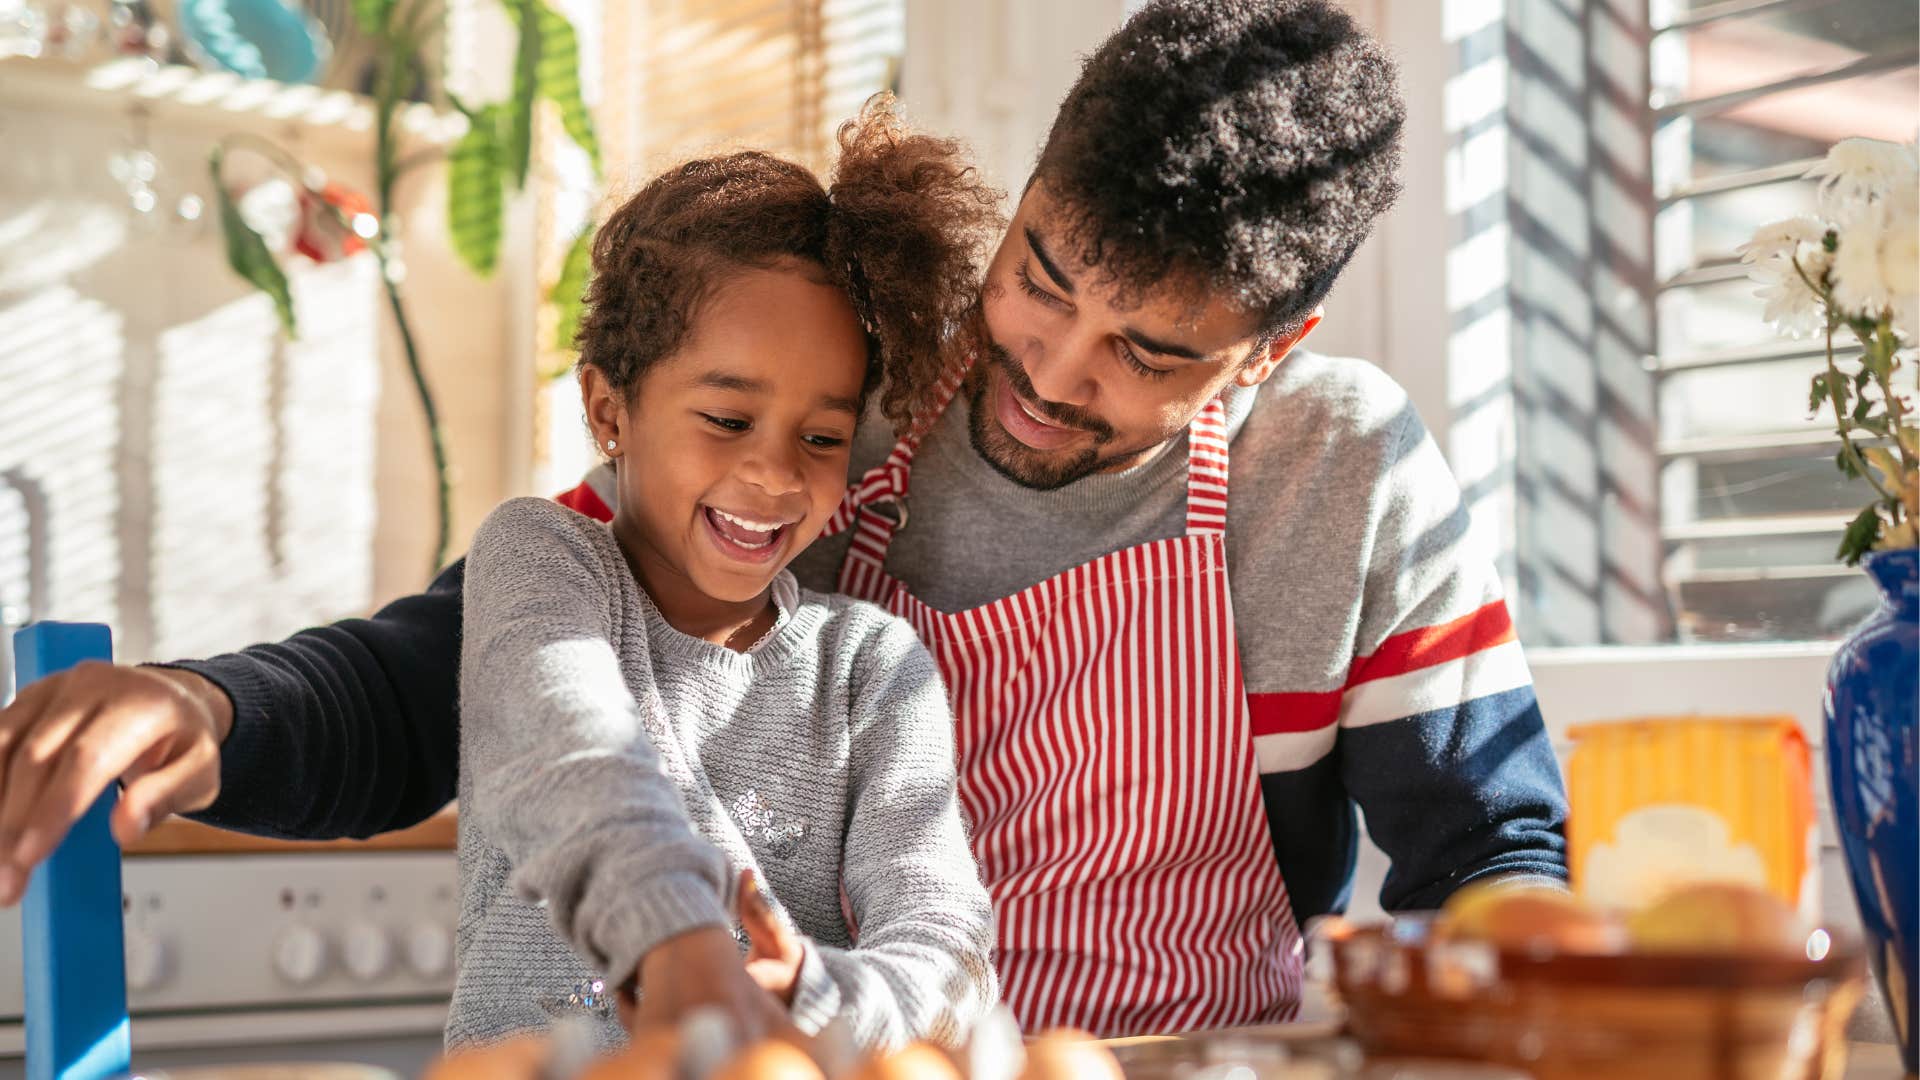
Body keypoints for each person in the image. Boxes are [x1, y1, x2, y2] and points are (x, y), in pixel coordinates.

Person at [0, 0, 1567, 1038]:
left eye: (1149, 355)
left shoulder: (1338, 473)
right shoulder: (841, 401)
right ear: (1025, 195)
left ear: (1268, 350)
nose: (1045, 374)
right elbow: (492, 664)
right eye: (1040, 276)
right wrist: (215, 706)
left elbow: (1491, 848)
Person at [449, 100, 1000, 1051]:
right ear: (608, 408)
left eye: (821, 438)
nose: (777, 475)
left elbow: (946, 945)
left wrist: (813, 994)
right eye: (727, 419)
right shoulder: (541, 560)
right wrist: (680, 941)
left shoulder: (870, 668)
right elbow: (571, 751)